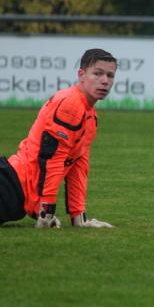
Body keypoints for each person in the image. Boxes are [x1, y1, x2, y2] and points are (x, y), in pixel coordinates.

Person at [0, 49, 117, 228]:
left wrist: (79, 218)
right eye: (98, 73)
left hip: (15, 193)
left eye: (110, 75)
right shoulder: (70, 105)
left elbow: (78, 166)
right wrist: (46, 212)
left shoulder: (90, 116)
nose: (104, 81)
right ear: (81, 75)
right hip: (10, 185)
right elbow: (52, 159)